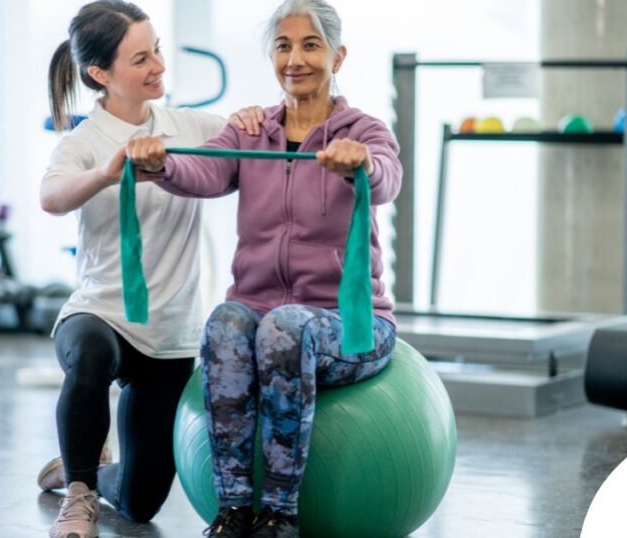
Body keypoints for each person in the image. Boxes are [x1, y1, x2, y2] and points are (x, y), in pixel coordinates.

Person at [125, 1, 402, 536]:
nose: (295, 58)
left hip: (350, 327)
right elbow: (201, 167)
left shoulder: (363, 131)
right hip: (262, 317)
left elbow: (389, 177)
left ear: (338, 55)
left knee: (283, 329)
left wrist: (361, 163)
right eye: (283, 46)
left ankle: (279, 515)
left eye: (310, 45)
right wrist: (160, 162)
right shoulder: (250, 131)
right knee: (228, 321)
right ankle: (232, 510)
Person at [38, 2, 261, 537]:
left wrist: (255, 119)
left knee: (140, 504)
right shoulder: (82, 143)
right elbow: (50, 196)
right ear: (101, 74)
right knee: (89, 355)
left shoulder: (189, 126)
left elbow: (253, 139)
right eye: (141, 58)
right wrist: (105, 174)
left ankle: (80, 470)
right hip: (101, 314)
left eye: (157, 49)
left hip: (168, 334)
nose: (159, 64)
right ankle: (78, 493)